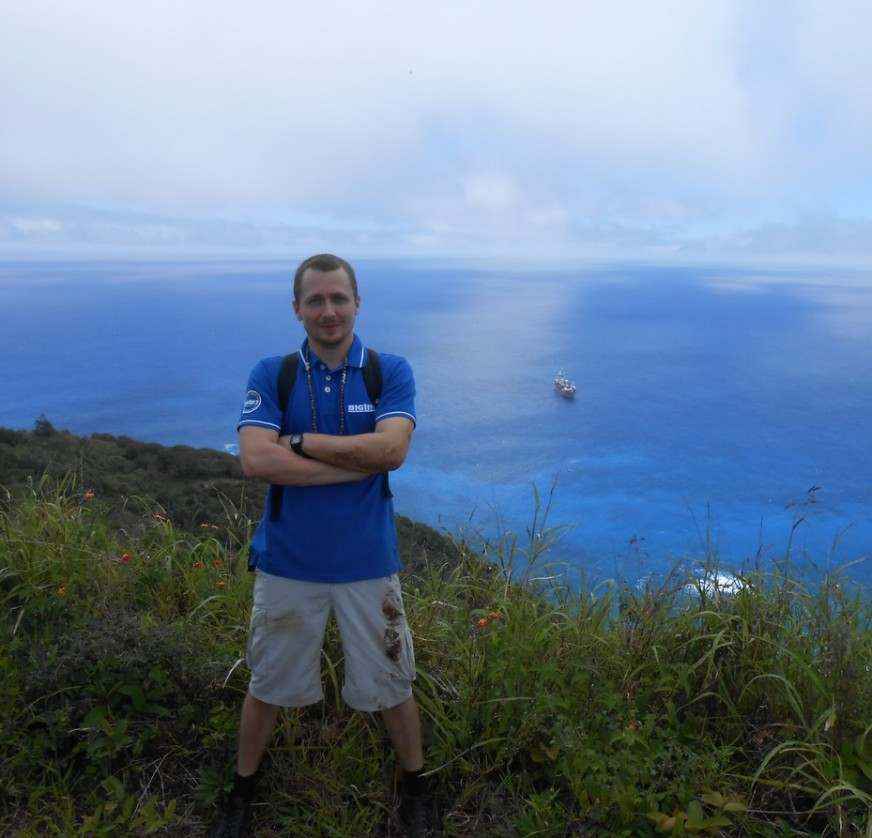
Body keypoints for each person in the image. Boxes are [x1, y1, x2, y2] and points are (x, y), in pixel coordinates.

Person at [209, 254, 432, 837]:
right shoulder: (273, 373)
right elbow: (256, 460)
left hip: (368, 563)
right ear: (297, 309)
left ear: (357, 303)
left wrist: (301, 443)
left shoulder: (388, 371)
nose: (328, 311)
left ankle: (416, 789)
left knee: (393, 683)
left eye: (338, 298)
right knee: (267, 684)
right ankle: (242, 792)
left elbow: (392, 451)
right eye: (316, 300)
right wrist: (355, 463)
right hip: (288, 563)